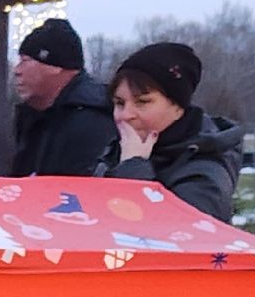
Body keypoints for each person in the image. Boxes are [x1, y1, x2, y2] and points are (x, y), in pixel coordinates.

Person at [104, 42, 244, 222]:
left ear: (178, 108)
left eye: (142, 102)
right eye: (120, 103)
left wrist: (133, 169)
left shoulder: (204, 170)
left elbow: (176, 235)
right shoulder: (116, 151)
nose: (125, 115)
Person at [10, 18, 117, 178]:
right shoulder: (37, 116)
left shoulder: (91, 121)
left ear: (56, 67)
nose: (17, 71)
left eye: (25, 61)